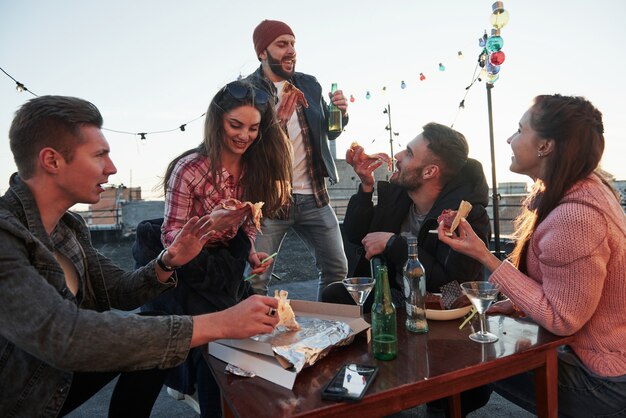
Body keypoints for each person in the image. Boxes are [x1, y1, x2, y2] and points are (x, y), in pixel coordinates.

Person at [0, 95, 280, 418]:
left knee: (157, 330)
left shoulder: (70, 228)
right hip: (23, 397)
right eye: (99, 154)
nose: (112, 167)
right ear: (52, 161)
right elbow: (68, 336)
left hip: (60, 376)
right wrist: (220, 323)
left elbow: (119, 289)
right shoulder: (7, 236)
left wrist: (169, 260)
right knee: (161, 335)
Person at [438, 94, 626, 416]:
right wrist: (511, 304)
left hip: (602, 379)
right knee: (479, 335)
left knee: (468, 348)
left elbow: (563, 318)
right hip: (603, 358)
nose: (510, 139)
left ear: (545, 146)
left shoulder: (575, 217)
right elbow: (567, 287)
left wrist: (486, 257)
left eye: (520, 130)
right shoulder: (587, 188)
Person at [134, 79, 292, 417]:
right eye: (236, 125)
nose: (244, 135)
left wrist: (250, 251)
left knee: (259, 330)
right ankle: (205, 402)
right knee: (215, 342)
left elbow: (249, 221)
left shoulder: (255, 166)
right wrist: (210, 224)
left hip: (226, 265)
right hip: (183, 269)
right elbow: (171, 238)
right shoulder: (188, 169)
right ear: (217, 120)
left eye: (253, 128)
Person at [323, 122, 491, 312]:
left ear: (429, 172)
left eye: (409, 153)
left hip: (434, 308)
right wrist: (366, 187)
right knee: (334, 294)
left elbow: (451, 289)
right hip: (393, 295)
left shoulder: (465, 218)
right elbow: (356, 235)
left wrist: (395, 245)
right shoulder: (400, 198)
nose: (397, 156)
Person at [245, 19, 349, 299]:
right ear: (262, 53)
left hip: (314, 195)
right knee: (256, 278)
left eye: (293, 44)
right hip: (270, 201)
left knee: (337, 270)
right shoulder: (245, 92)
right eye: (282, 44)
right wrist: (275, 125)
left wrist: (341, 114)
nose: (290, 50)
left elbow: (330, 131)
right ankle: (252, 336)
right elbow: (242, 146)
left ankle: (331, 334)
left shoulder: (310, 85)